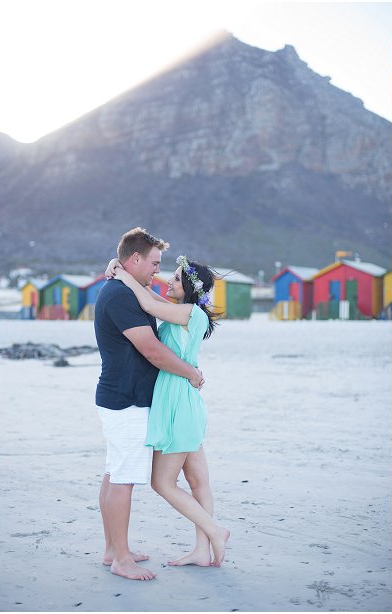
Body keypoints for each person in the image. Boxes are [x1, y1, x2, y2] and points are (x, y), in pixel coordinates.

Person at [107, 253, 230, 567]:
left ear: (189, 287)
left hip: (177, 402)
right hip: (183, 400)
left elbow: (148, 305)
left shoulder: (190, 312)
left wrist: (123, 278)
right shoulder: (184, 311)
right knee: (198, 481)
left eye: (175, 278)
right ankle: (202, 550)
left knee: (162, 483)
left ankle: (215, 531)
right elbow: (149, 297)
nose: (168, 281)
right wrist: (120, 269)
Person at [95, 228, 205, 581]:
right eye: (154, 264)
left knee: (116, 472)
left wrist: (119, 267)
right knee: (124, 477)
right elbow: (152, 350)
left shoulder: (127, 290)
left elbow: (149, 301)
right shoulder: (119, 296)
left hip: (122, 397)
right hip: (126, 400)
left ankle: (113, 548)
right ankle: (121, 558)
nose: (157, 272)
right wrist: (191, 373)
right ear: (136, 259)